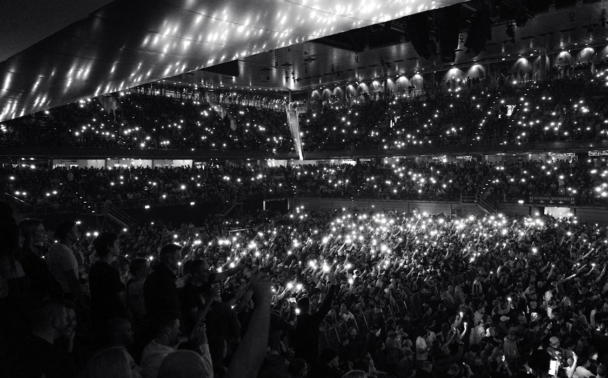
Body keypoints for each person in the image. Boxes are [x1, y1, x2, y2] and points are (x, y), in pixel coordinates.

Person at [4, 301, 77, 378]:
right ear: (56, 322)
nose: (70, 324)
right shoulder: (55, 359)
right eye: (66, 319)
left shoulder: (17, 347)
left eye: (73, 319)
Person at [292, 272, 337, 364]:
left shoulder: (295, 321)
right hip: (311, 357)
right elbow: (325, 306)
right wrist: (333, 286)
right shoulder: (312, 320)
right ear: (308, 307)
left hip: (298, 358)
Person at [90, 232, 128, 334]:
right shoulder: (111, 271)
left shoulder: (94, 268)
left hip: (98, 313)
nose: (118, 246)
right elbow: (121, 298)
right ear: (109, 247)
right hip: (112, 316)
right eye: (116, 244)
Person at [19, 219, 61, 302]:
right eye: (41, 231)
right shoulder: (31, 258)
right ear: (31, 233)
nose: (45, 233)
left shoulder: (34, 253)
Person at [47, 221, 85, 309]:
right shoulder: (64, 252)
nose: (78, 233)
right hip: (67, 295)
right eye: (75, 231)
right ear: (69, 235)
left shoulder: (57, 247)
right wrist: (82, 303)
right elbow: (72, 280)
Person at [144, 244, 181, 323]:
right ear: (170, 260)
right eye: (178, 256)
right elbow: (171, 307)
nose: (180, 259)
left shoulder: (153, 277)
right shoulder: (165, 280)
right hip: (165, 325)